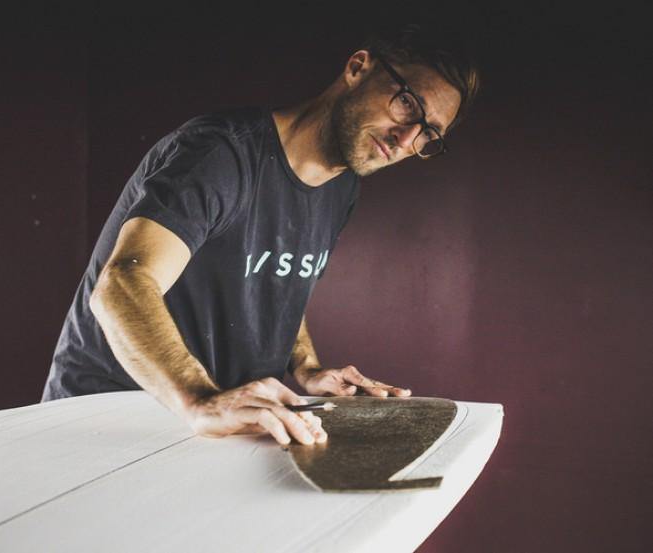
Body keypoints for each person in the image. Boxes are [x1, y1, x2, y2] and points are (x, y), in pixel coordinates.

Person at [41, 24, 479, 447]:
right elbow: (121, 285)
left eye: (429, 134)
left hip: (206, 428)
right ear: (358, 67)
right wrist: (200, 400)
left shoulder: (342, 188)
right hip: (103, 421)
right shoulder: (222, 154)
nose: (406, 139)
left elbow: (277, 283)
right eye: (407, 104)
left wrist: (307, 368)